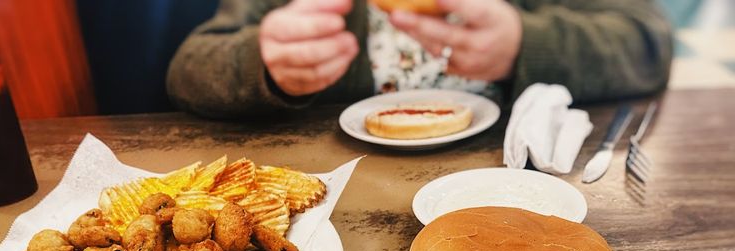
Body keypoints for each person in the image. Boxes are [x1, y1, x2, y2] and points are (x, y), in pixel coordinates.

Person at [166, 0, 673, 119]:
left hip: (516, 184)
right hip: (342, 203)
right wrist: (267, 64)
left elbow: (646, 40)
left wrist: (525, 43)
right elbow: (190, 68)